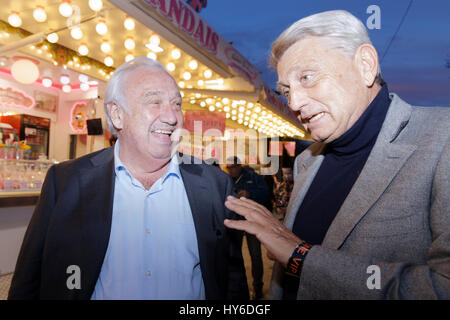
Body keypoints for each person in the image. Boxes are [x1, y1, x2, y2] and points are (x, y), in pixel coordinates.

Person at [223, 10, 450, 299]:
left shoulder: (443, 139)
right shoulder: (308, 161)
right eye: (286, 90)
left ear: (365, 65)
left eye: (307, 77)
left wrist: (301, 258)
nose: (294, 102)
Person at [8, 57, 249, 300]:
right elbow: (30, 277)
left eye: (176, 104)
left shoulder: (215, 185)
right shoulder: (67, 181)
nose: (172, 116)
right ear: (117, 115)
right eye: (154, 101)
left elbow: (231, 280)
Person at [226, 156, 270, 300]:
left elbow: (266, 193)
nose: (231, 170)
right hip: (236, 222)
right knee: (235, 256)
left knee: (256, 255)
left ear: (240, 166)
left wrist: (250, 194)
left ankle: (258, 288)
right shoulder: (226, 180)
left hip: (252, 222)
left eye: (233, 167)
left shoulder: (253, 177)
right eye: (229, 168)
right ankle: (238, 287)